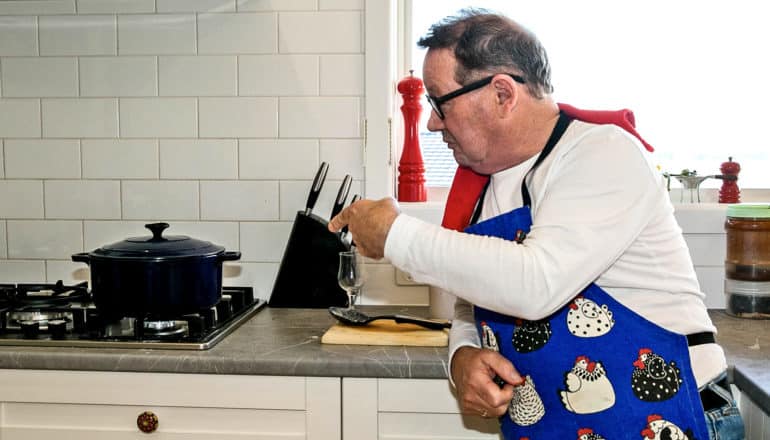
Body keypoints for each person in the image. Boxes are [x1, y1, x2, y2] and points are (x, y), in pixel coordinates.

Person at [328, 8, 745, 440]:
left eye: (439, 102)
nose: (432, 122)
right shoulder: (480, 184)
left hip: (666, 418)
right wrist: (463, 355)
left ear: (503, 94)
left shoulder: (602, 154)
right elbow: (472, 300)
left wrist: (394, 233)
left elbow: (536, 282)